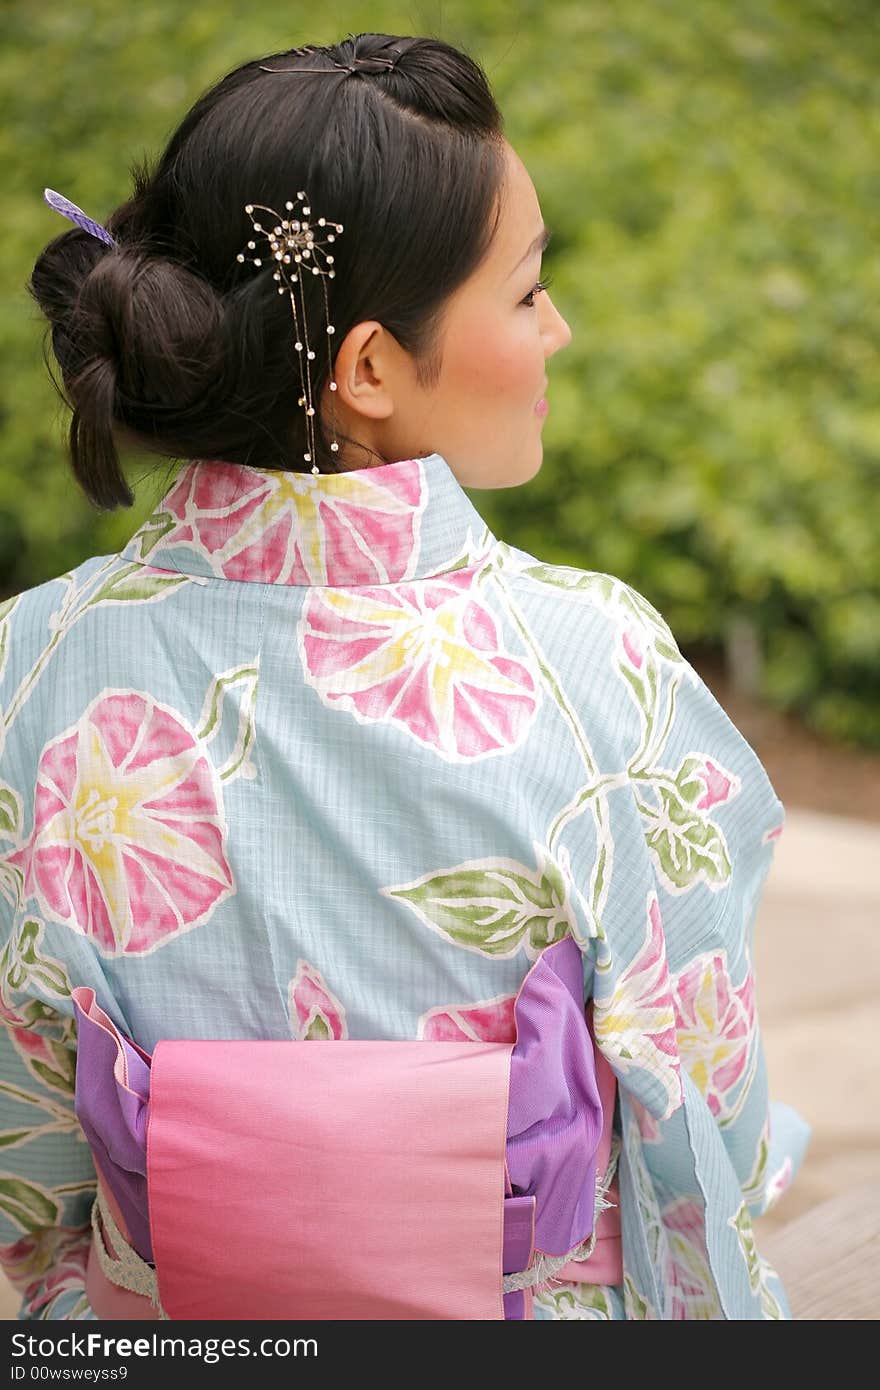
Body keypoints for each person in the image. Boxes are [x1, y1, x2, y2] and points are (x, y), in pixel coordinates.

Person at [0, 32, 809, 1320]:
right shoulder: (592, 659)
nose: (560, 328)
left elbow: (26, 1169)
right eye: (529, 290)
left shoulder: (31, 663)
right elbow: (701, 1129)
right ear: (369, 367)